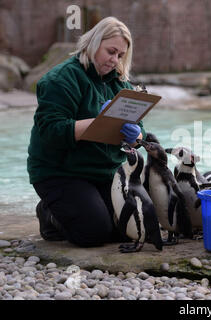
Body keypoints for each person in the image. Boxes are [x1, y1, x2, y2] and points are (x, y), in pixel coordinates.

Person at [27, 17, 146, 247]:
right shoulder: (61, 79)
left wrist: (136, 136)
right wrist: (100, 122)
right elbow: (52, 131)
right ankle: (49, 214)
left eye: (120, 55)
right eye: (111, 52)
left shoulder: (120, 83)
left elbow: (140, 132)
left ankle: (82, 208)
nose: (115, 60)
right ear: (94, 42)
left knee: (130, 229)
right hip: (61, 171)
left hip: (103, 171)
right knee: (94, 233)